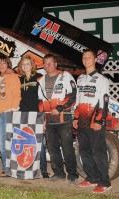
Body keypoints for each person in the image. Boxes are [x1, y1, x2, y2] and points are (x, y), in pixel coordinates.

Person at [73, 49, 111, 193]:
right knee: (84, 151)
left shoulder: (102, 79)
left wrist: (99, 121)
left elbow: (104, 101)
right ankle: (91, 177)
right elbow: (78, 100)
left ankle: (105, 182)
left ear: (95, 60)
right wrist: (76, 118)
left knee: (98, 152)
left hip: (94, 121)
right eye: (84, 58)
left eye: (89, 57)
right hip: (82, 121)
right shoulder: (80, 78)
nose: (86, 60)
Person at [38, 53, 78, 184]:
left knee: (67, 148)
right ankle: (59, 173)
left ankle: (73, 174)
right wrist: (42, 118)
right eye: (46, 63)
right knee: (52, 148)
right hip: (49, 119)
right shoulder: (41, 80)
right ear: (43, 66)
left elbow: (73, 95)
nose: (48, 65)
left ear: (55, 64)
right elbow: (40, 102)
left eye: (51, 63)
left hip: (64, 118)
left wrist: (60, 108)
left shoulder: (65, 76)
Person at [18, 55, 49, 178]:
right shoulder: (19, 80)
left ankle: (44, 170)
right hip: (23, 114)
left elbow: (44, 99)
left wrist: (43, 119)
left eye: (28, 64)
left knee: (39, 143)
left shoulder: (39, 78)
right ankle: (28, 167)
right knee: (26, 143)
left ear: (32, 65)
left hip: (37, 114)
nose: (25, 66)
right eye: (23, 64)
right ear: (21, 66)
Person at [0, 55, 21, 177]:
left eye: (4, 63)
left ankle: (10, 168)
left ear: (8, 64)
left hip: (8, 113)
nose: (2, 65)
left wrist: (13, 109)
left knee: (9, 143)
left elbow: (17, 94)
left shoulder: (13, 76)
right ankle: (6, 168)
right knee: (1, 143)